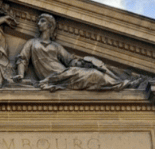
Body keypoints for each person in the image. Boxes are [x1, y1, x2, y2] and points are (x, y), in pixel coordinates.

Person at [15, 13, 146, 91]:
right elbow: (22, 59)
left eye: (42, 21)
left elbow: (70, 61)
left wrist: (84, 63)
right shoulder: (32, 43)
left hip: (65, 74)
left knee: (96, 72)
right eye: (38, 21)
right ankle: (124, 83)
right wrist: (20, 75)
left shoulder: (55, 46)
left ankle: (124, 83)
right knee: (96, 75)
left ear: (50, 25)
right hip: (53, 78)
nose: (38, 23)